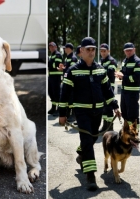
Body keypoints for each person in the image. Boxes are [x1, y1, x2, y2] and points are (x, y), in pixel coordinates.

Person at [59, 37, 120, 191]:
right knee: (87, 139)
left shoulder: (101, 69)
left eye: (93, 49)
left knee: (92, 137)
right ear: (81, 51)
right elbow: (64, 94)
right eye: (88, 49)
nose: (91, 52)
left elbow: (107, 90)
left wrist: (115, 106)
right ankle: (90, 176)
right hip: (82, 112)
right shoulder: (72, 71)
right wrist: (62, 113)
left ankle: (82, 154)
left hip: (97, 111)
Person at [115, 42, 140, 131]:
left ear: (134, 50)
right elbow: (123, 71)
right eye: (126, 51)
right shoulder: (124, 61)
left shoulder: (138, 62)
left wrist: (123, 77)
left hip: (132, 93)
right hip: (124, 92)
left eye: (130, 50)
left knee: (133, 115)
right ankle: (127, 131)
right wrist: (119, 74)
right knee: (125, 113)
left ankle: (135, 133)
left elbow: (136, 77)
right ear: (124, 51)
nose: (128, 52)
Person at [98, 43, 117, 133]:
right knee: (104, 108)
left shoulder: (111, 61)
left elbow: (109, 72)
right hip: (102, 87)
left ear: (108, 51)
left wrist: (100, 71)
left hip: (109, 87)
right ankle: (105, 126)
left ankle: (110, 127)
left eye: (104, 51)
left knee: (109, 107)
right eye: (101, 51)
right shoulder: (102, 60)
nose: (103, 53)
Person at [57, 43, 78, 122]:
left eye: (65, 48)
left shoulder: (73, 58)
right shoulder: (67, 58)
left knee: (72, 98)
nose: (64, 49)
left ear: (69, 48)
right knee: (68, 98)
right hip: (67, 80)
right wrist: (63, 69)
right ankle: (68, 113)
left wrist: (64, 69)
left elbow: (72, 70)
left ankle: (73, 115)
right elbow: (68, 69)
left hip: (72, 81)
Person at [48, 42, 63, 116]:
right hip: (51, 76)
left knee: (57, 93)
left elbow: (56, 65)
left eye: (53, 46)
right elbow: (52, 64)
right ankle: (54, 107)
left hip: (56, 77)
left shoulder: (57, 54)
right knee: (51, 92)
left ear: (56, 47)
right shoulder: (52, 55)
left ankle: (59, 109)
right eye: (50, 47)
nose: (51, 48)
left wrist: (50, 63)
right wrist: (50, 63)